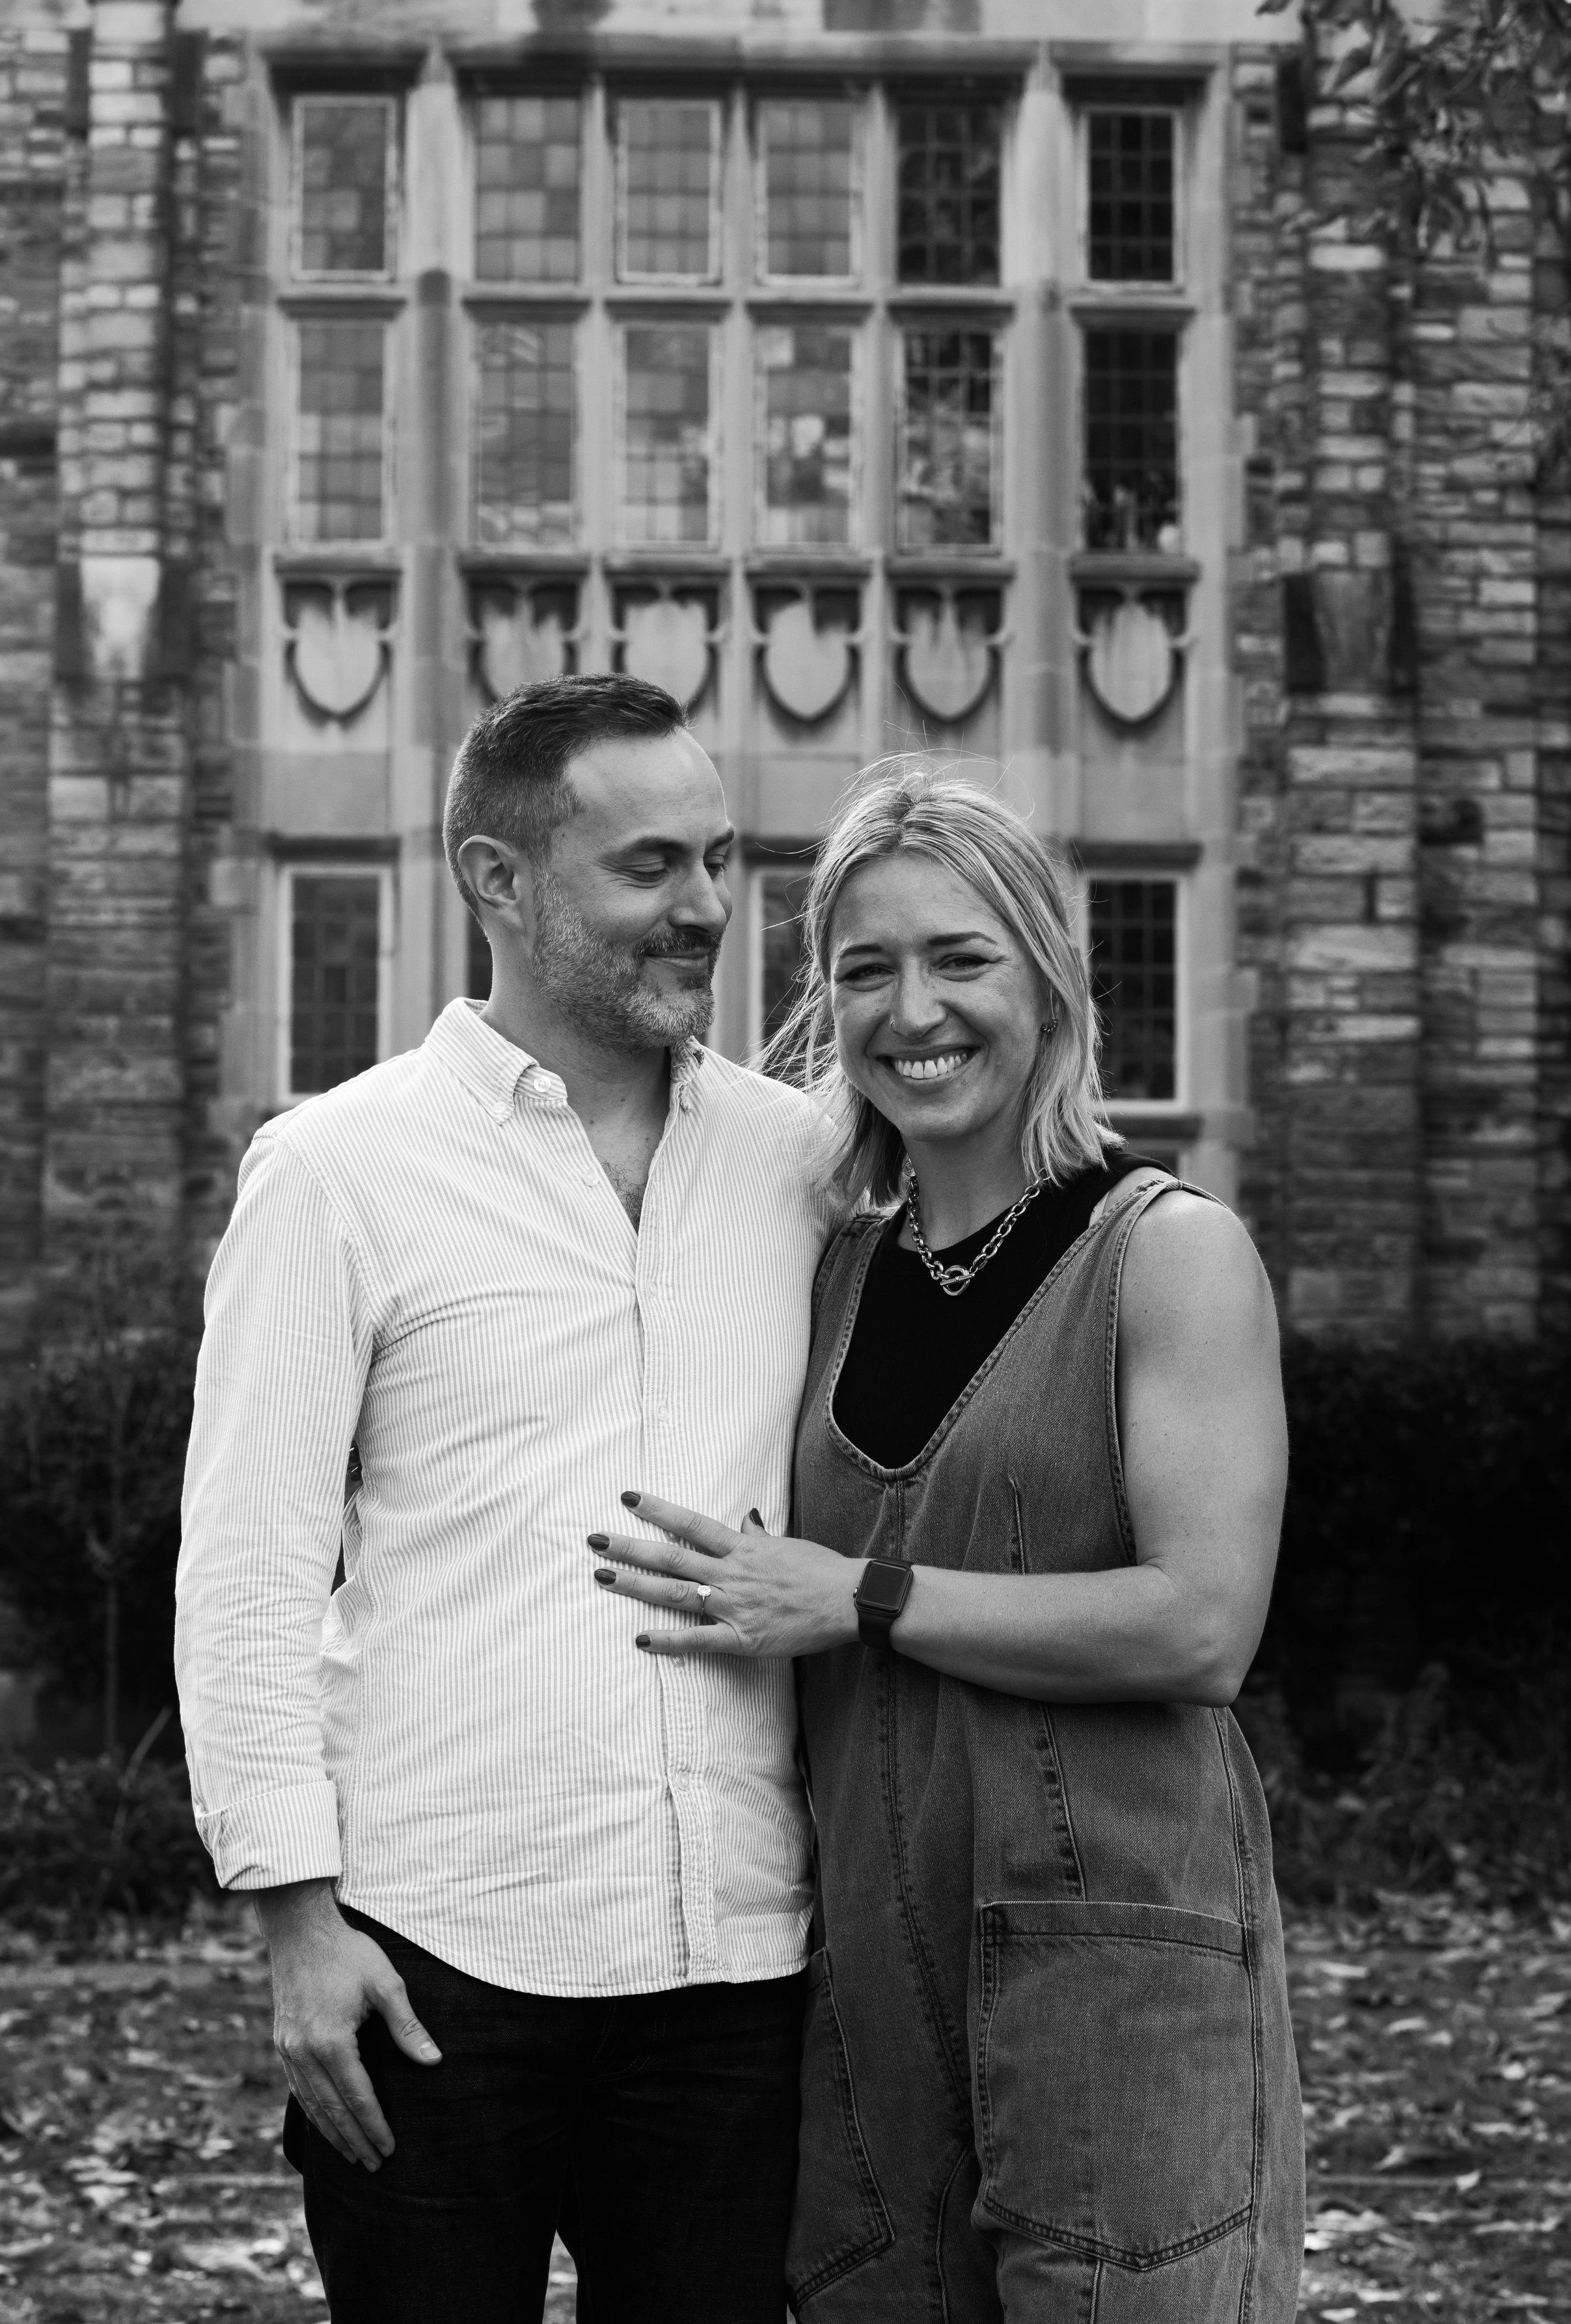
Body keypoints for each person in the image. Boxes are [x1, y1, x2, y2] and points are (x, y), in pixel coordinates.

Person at [588, 767, 1305, 2323]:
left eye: (958, 957)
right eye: (864, 968)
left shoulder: (1168, 1253)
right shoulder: (829, 1273)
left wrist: (861, 1594)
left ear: (1046, 972)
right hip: (866, 1984)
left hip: (1117, 1979)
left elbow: (1201, 1626)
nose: (912, 1008)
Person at [175, 674, 837, 2324]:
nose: (704, 908)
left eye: (718, 858)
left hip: (735, 1964)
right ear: (496, 881)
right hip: (432, 1961)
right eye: (647, 868)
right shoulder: (337, 1169)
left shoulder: (802, 1159)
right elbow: (248, 1564)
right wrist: (293, 1927)